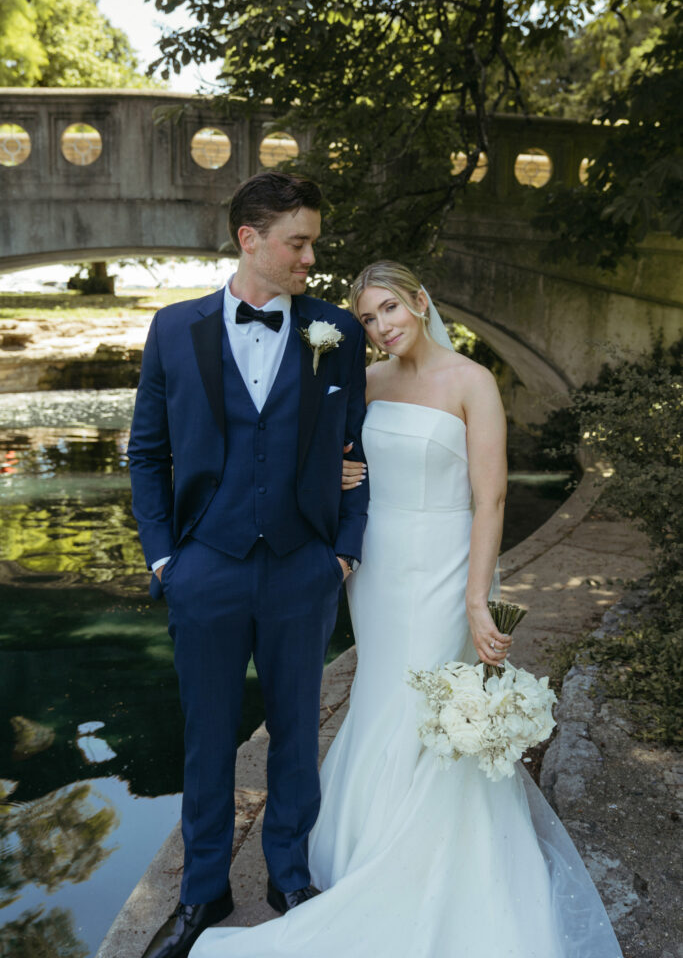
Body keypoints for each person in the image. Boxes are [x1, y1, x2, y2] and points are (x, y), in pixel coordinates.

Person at [188, 260, 624, 958]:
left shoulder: (472, 383)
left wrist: (477, 599)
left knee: (429, 700)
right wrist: (330, 473)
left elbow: (492, 499)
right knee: (381, 692)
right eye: (367, 317)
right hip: (378, 567)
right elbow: (315, 463)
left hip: (447, 562)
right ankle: (364, 844)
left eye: (390, 308)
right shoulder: (365, 383)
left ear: (419, 303)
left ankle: (427, 864)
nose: (382, 326)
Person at [127, 171, 369, 958]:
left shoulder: (335, 329)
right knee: (206, 737)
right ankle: (202, 893)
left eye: (312, 245)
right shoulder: (174, 329)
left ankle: (288, 878)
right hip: (205, 567)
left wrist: (343, 551)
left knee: (298, 731)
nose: (309, 259)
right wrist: (165, 558)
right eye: (298, 243)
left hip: (303, 566)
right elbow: (148, 455)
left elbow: (356, 452)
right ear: (250, 239)